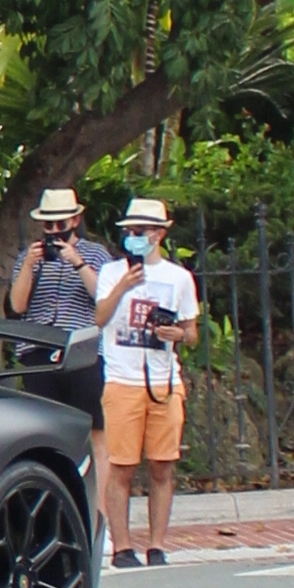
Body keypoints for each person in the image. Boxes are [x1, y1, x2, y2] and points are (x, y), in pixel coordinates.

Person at [92, 197, 200, 566]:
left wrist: (177, 335)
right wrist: (123, 285)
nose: (134, 237)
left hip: (163, 381)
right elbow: (100, 317)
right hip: (123, 380)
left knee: (162, 465)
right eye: (129, 232)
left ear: (158, 234)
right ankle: (122, 546)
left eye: (141, 231)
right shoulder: (110, 273)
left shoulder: (178, 278)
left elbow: (191, 332)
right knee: (121, 466)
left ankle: (157, 543)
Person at [7, 188, 114, 485]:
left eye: (60, 224)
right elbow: (17, 306)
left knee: (94, 432)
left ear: (75, 220)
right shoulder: (31, 255)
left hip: (83, 351)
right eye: (48, 225)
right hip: (39, 350)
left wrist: (77, 262)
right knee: (46, 432)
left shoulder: (95, 254)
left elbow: (103, 298)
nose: (55, 231)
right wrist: (29, 265)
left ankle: (98, 517)